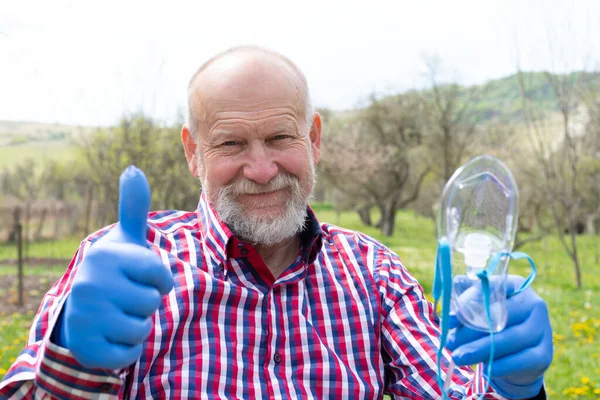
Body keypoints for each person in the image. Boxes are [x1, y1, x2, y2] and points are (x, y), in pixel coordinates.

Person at [0, 46, 552, 399]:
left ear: (313, 139)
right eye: (231, 143)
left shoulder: (373, 272)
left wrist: (515, 384)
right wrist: (70, 361)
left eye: (281, 138)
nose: (261, 170)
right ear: (193, 153)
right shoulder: (128, 263)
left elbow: (454, 390)